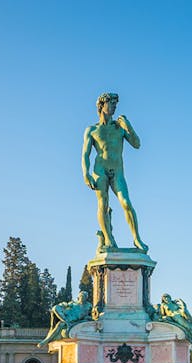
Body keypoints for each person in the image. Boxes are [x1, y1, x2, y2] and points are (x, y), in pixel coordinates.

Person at [82, 92, 147, 252]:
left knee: (126, 203)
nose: (114, 107)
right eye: (111, 104)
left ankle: (137, 239)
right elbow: (85, 154)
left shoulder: (120, 127)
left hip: (117, 170)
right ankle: (109, 240)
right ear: (101, 106)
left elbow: (137, 144)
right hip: (100, 170)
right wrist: (86, 173)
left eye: (115, 105)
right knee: (103, 204)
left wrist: (128, 126)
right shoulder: (92, 130)